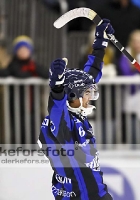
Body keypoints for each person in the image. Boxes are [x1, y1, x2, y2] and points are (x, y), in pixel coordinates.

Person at [38, 19, 114, 200]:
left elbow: (91, 74)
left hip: (98, 194)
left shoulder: (77, 114)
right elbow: (58, 116)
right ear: (72, 96)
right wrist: (56, 89)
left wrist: (100, 44)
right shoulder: (59, 122)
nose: (90, 97)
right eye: (86, 93)